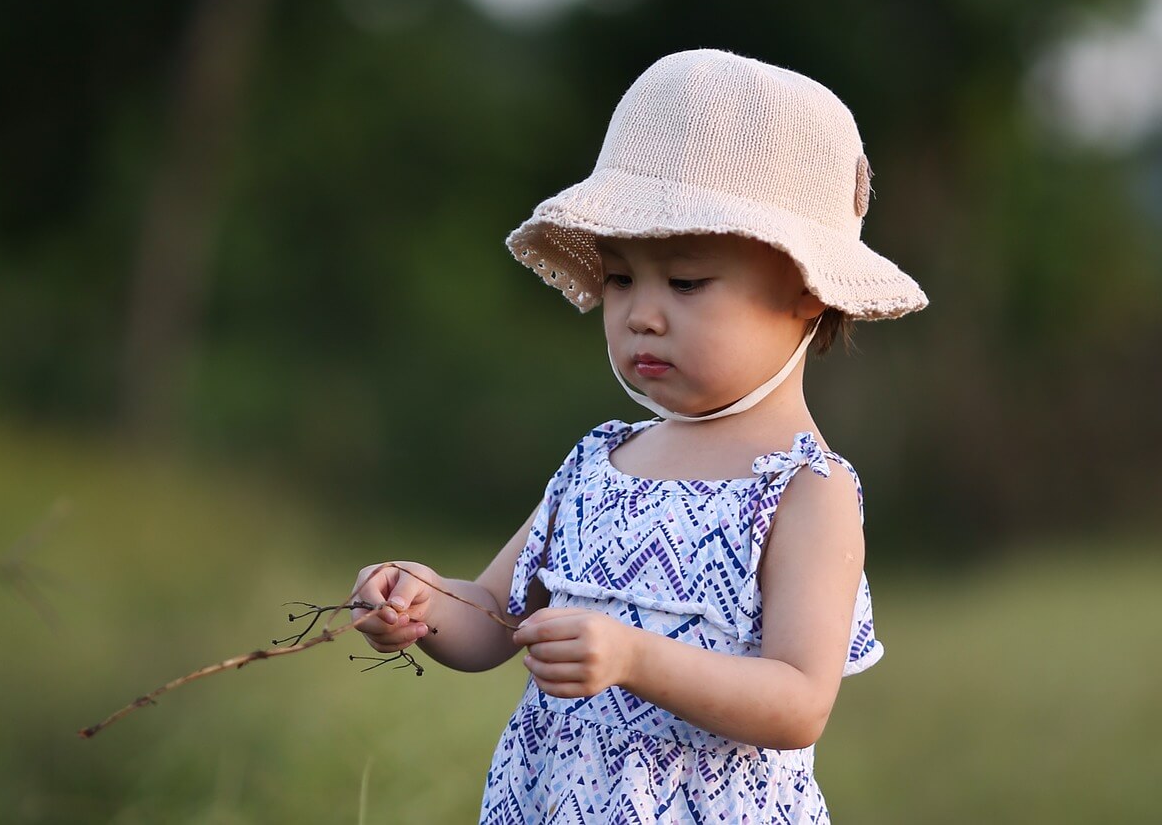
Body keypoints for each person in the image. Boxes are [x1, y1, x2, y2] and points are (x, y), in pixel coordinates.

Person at [352, 49, 927, 823]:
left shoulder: (803, 490)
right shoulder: (600, 461)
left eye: (686, 281)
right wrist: (421, 601)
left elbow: (797, 701)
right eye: (621, 277)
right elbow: (495, 611)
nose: (640, 312)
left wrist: (634, 657)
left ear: (804, 292)